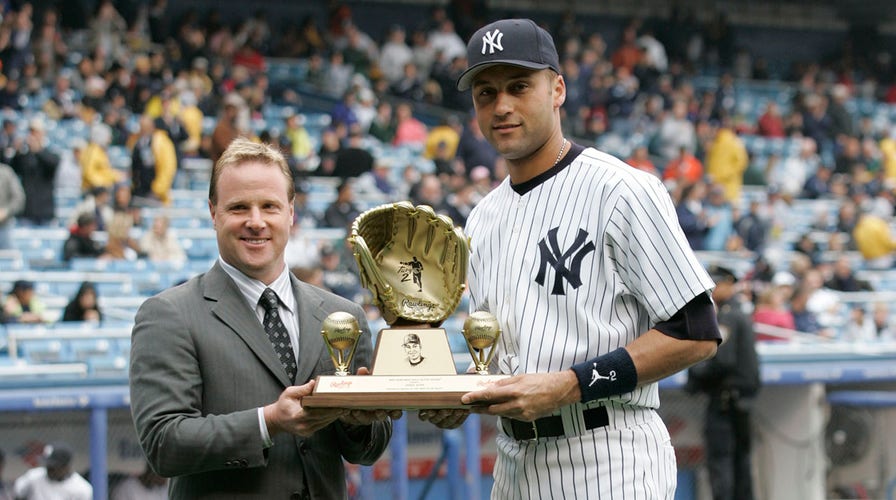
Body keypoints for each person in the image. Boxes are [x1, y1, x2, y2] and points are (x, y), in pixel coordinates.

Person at [419, 19, 720, 499]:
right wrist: (462, 398)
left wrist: (569, 384)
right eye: (486, 92)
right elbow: (511, 361)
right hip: (514, 466)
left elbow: (696, 333)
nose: (502, 106)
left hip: (608, 454)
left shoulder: (621, 190)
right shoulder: (481, 218)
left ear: (557, 89)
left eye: (519, 86)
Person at [129, 137, 395, 499]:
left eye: (269, 206)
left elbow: (367, 450)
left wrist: (357, 418)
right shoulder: (169, 315)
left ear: (290, 212)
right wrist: (269, 422)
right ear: (213, 213)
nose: (256, 222)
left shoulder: (343, 316)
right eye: (239, 207)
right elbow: (163, 444)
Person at [686, 265, 760, 500]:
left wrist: (695, 377)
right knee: (741, 464)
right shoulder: (740, 313)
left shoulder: (728, 315)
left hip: (726, 404)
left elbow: (723, 361)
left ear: (729, 284)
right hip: (741, 404)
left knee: (722, 465)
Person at [13, 442, 92, 500]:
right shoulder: (33, 476)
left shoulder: (82, 488)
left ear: (65, 467)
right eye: (48, 465)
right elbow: (18, 495)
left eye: (53, 467)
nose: (48, 469)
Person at [0, 162, 25, 250]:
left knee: (8, 259)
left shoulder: (6, 172)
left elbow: (19, 198)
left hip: (4, 227)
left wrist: (6, 211)